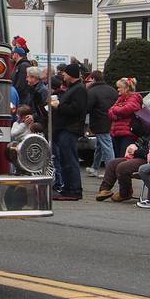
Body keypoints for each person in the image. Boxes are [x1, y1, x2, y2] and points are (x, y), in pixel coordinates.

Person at [98, 119, 150, 202]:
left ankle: (125, 193)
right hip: (142, 157)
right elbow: (142, 146)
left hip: (144, 159)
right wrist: (133, 147)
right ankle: (105, 189)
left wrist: (136, 152)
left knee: (123, 167)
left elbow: (149, 153)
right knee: (113, 163)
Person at [49, 63, 87, 201]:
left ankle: (74, 189)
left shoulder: (79, 90)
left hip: (70, 129)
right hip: (64, 128)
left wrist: (59, 106)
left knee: (70, 160)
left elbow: (77, 109)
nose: (63, 75)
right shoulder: (72, 89)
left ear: (71, 75)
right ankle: (67, 188)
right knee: (65, 159)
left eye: (65, 73)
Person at [85, 70, 117, 176]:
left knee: (107, 146)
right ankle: (94, 167)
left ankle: (111, 171)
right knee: (100, 145)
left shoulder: (92, 91)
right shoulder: (112, 90)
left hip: (99, 122)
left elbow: (87, 108)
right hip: (111, 120)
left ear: (93, 79)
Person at [107, 77, 143, 158]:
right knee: (117, 157)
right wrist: (118, 113)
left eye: (119, 87)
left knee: (124, 157)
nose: (118, 89)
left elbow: (125, 110)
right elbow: (110, 112)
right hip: (117, 133)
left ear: (126, 88)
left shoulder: (134, 98)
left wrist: (117, 111)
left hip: (127, 134)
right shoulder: (120, 99)